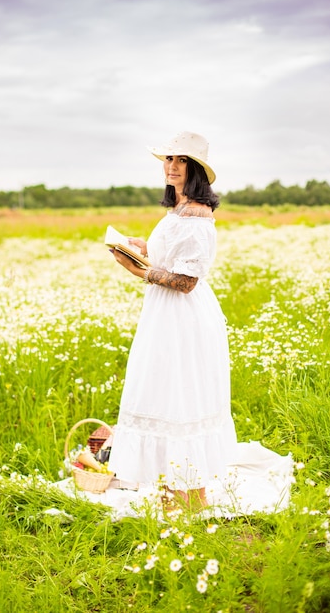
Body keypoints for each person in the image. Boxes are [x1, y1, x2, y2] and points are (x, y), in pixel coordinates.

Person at [108, 131, 239, 511]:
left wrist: (141, 271)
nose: (171, 166)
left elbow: (185, 281)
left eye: (180, 160)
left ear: (195, 168)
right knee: (170, 394)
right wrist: (144, 247)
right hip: (165, 314)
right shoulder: (180, 210)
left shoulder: (197, 215)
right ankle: (185, 495)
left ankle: (182, 498)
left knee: (177, 396)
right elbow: (172, 254)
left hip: (182, 317)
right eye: (168, 159)